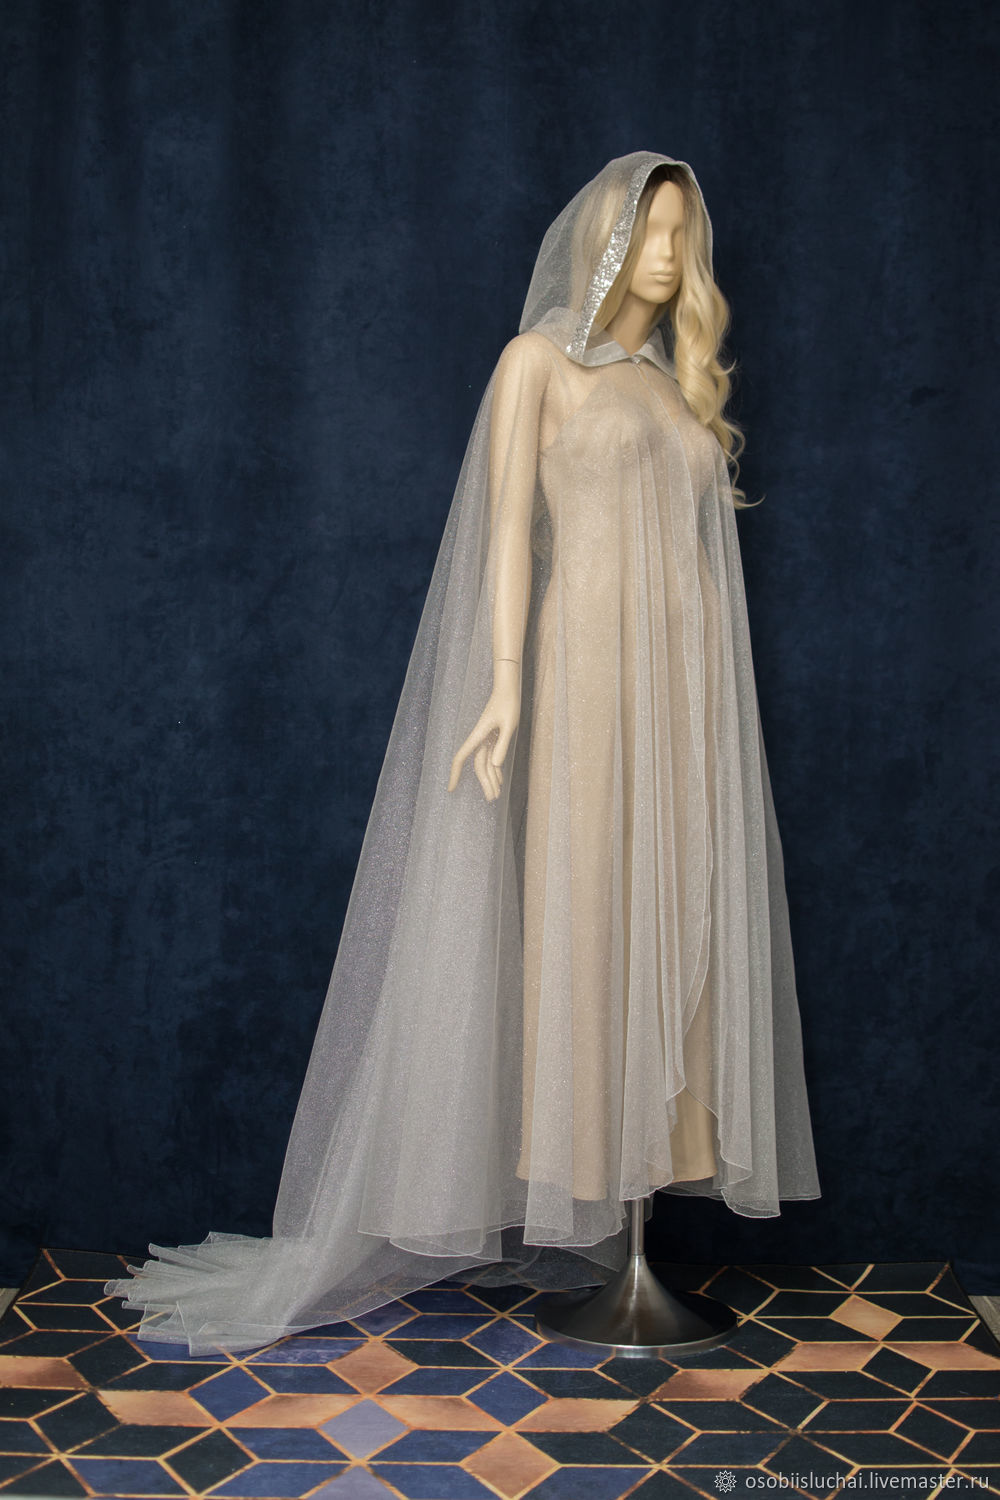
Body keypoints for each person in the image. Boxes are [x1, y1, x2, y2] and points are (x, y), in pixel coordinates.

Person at [107, 151, 819, 1356]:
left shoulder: (674, 387)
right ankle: (590, 1175)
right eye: (647, 231)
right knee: (588, 918)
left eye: (679, 236)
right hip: (585, 682)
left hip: (686, 698)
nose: (665, 256)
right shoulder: (535, 363)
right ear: (602, 238)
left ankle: (648, 1200)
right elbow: (503, 539)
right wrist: (502, 688)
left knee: (682, 918)